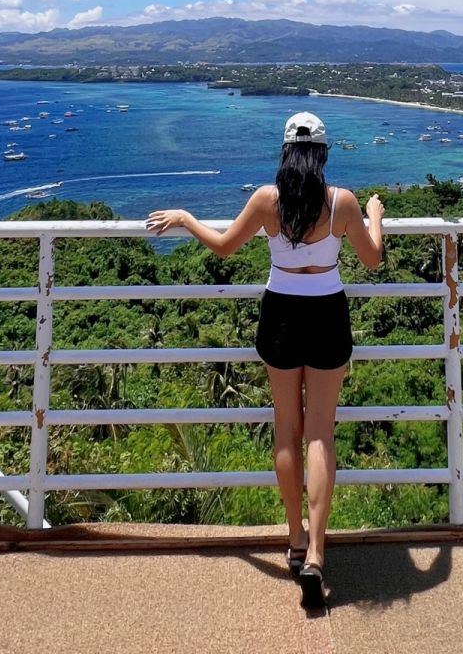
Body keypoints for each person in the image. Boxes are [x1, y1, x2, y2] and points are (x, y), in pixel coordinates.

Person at [147, 111, 385, 609]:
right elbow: (371, 259)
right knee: (320, 431)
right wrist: (375, 218)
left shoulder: (266, 200)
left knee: (286, 428)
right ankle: (318, 552)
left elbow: (225, 248)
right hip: (327, 315)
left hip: (280, 314)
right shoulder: (341, 201)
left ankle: (295, 539)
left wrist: (188, 218)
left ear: (284, 152)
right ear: (322, 153)